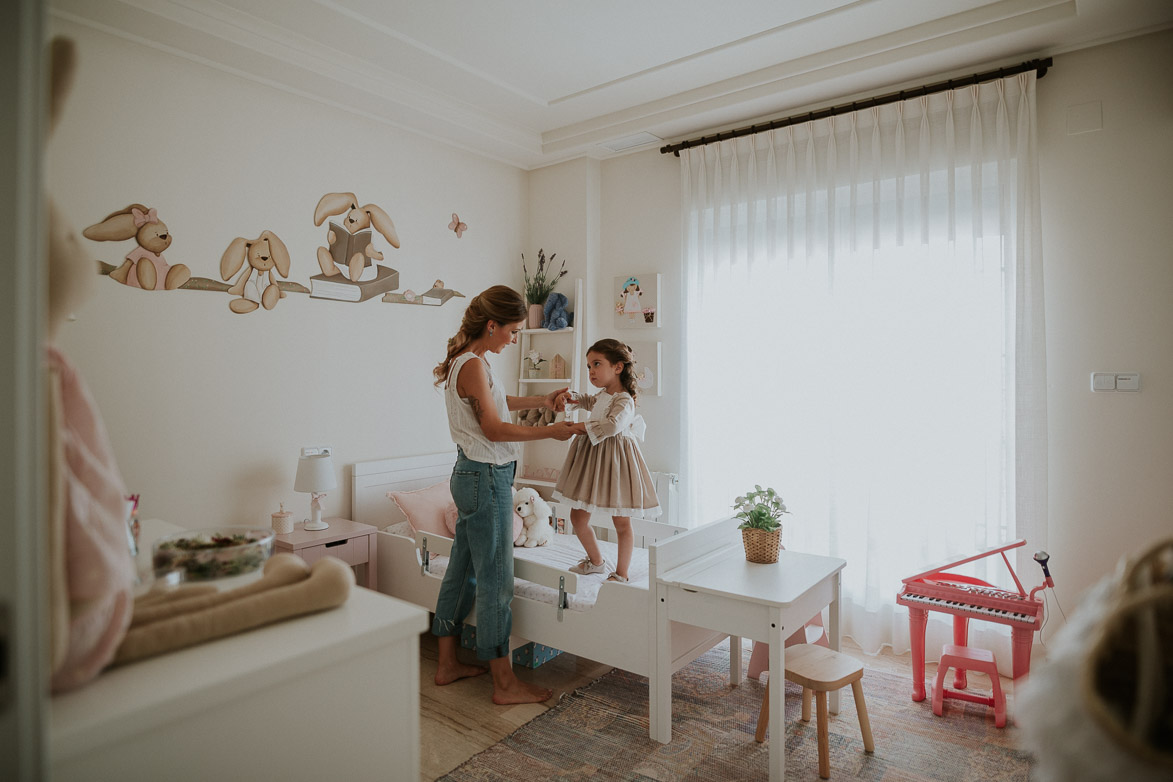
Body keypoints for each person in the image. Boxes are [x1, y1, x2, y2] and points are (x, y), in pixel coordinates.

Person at [431, 285, 576, 705]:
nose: (515, 339)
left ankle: (446, 664)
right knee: (496, 583)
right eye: (512, 331)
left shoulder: (472, 362)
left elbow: (496, 405)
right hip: (485, 478)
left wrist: (542, 400)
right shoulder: (472, 365)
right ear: (492, 325)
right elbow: (493, 429)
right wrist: (549, 430)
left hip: (472, 475)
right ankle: (504, 683)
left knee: (461, 572)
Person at [553, 339, 660, 583]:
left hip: (616, 463)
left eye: (596, 364)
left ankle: (621, 573)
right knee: (578, 517)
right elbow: (592, 403)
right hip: (593, 460)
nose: (591, 371)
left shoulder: (625, 399)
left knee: (621, 521)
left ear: (618, 367)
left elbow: (612, 425)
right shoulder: (604, 395)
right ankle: (596, 562)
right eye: (589, 366)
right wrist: (574, 399)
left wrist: (578, 426)